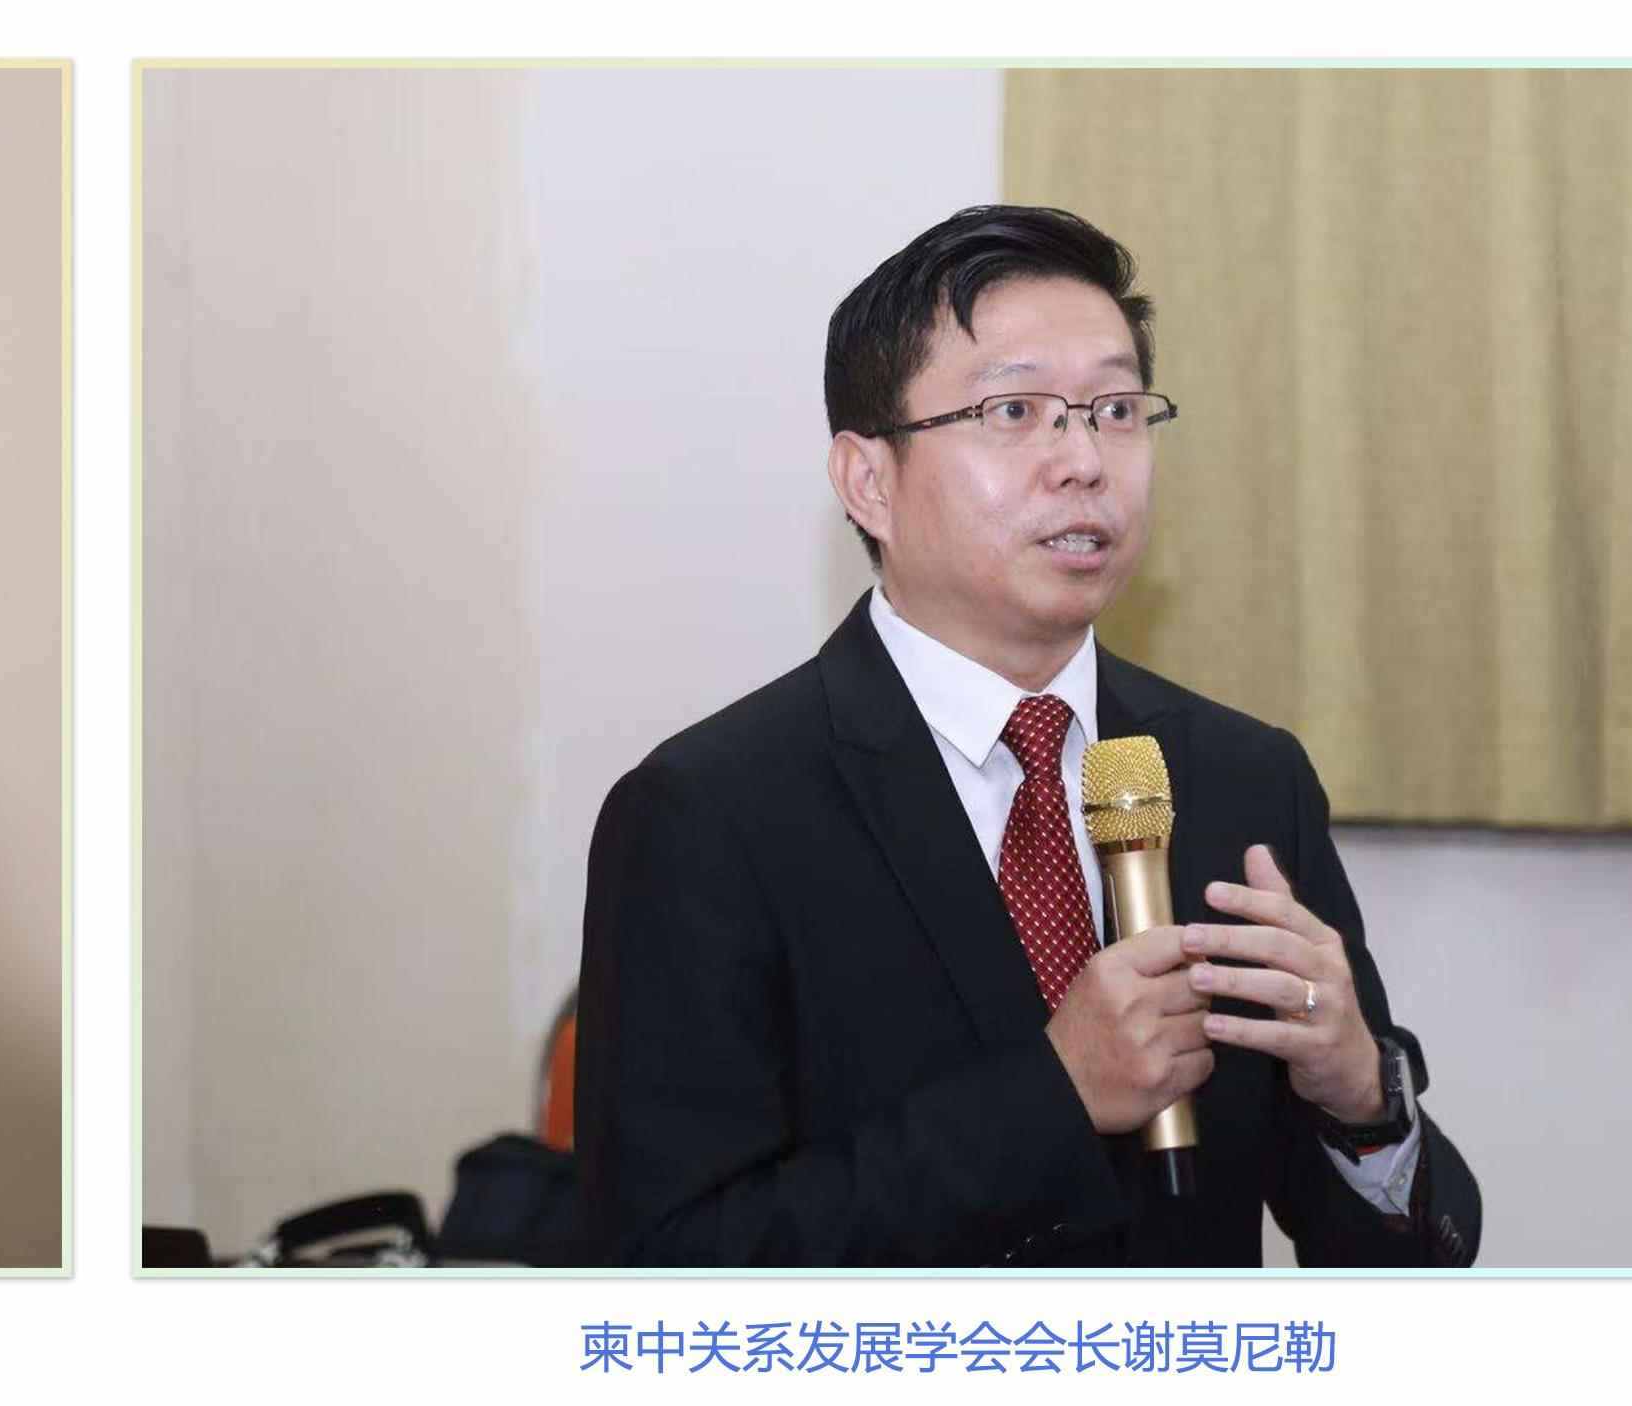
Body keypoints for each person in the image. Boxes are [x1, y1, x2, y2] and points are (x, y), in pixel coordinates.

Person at [575, 205, 1479, 1266]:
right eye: (1014, 410)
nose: (1084, 459)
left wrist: (1361, 1095)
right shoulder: (708, 815)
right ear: (869, 480)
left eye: (1116, 409)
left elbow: (1399, 1272)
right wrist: (1053, 1097)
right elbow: (665, 1271)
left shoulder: (1245, 777)